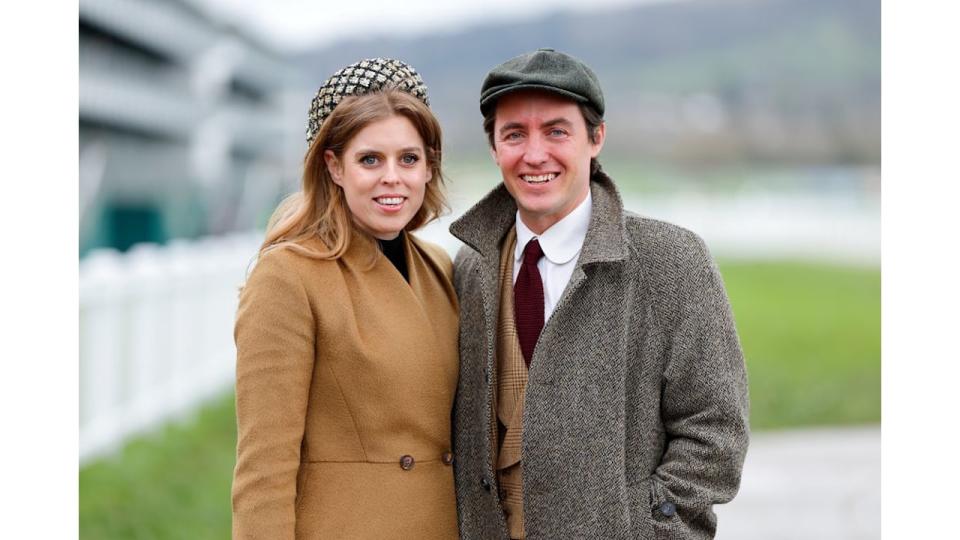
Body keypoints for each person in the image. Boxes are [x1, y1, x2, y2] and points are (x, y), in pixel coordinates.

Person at [449, 48, 749, 539]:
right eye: (514, 134)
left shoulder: (674, 261)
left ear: (596, 138)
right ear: (494, 148)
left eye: (556, 131)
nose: (534, 153)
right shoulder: (470, 265)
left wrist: (653, 530)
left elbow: (715, 431)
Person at [232, 58, 459, 539]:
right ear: (334, 166)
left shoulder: (441, 268)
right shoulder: (289, 276)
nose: (392, 177)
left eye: (409, 159)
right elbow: (263, 472)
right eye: (370, 159)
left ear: (429, 166)